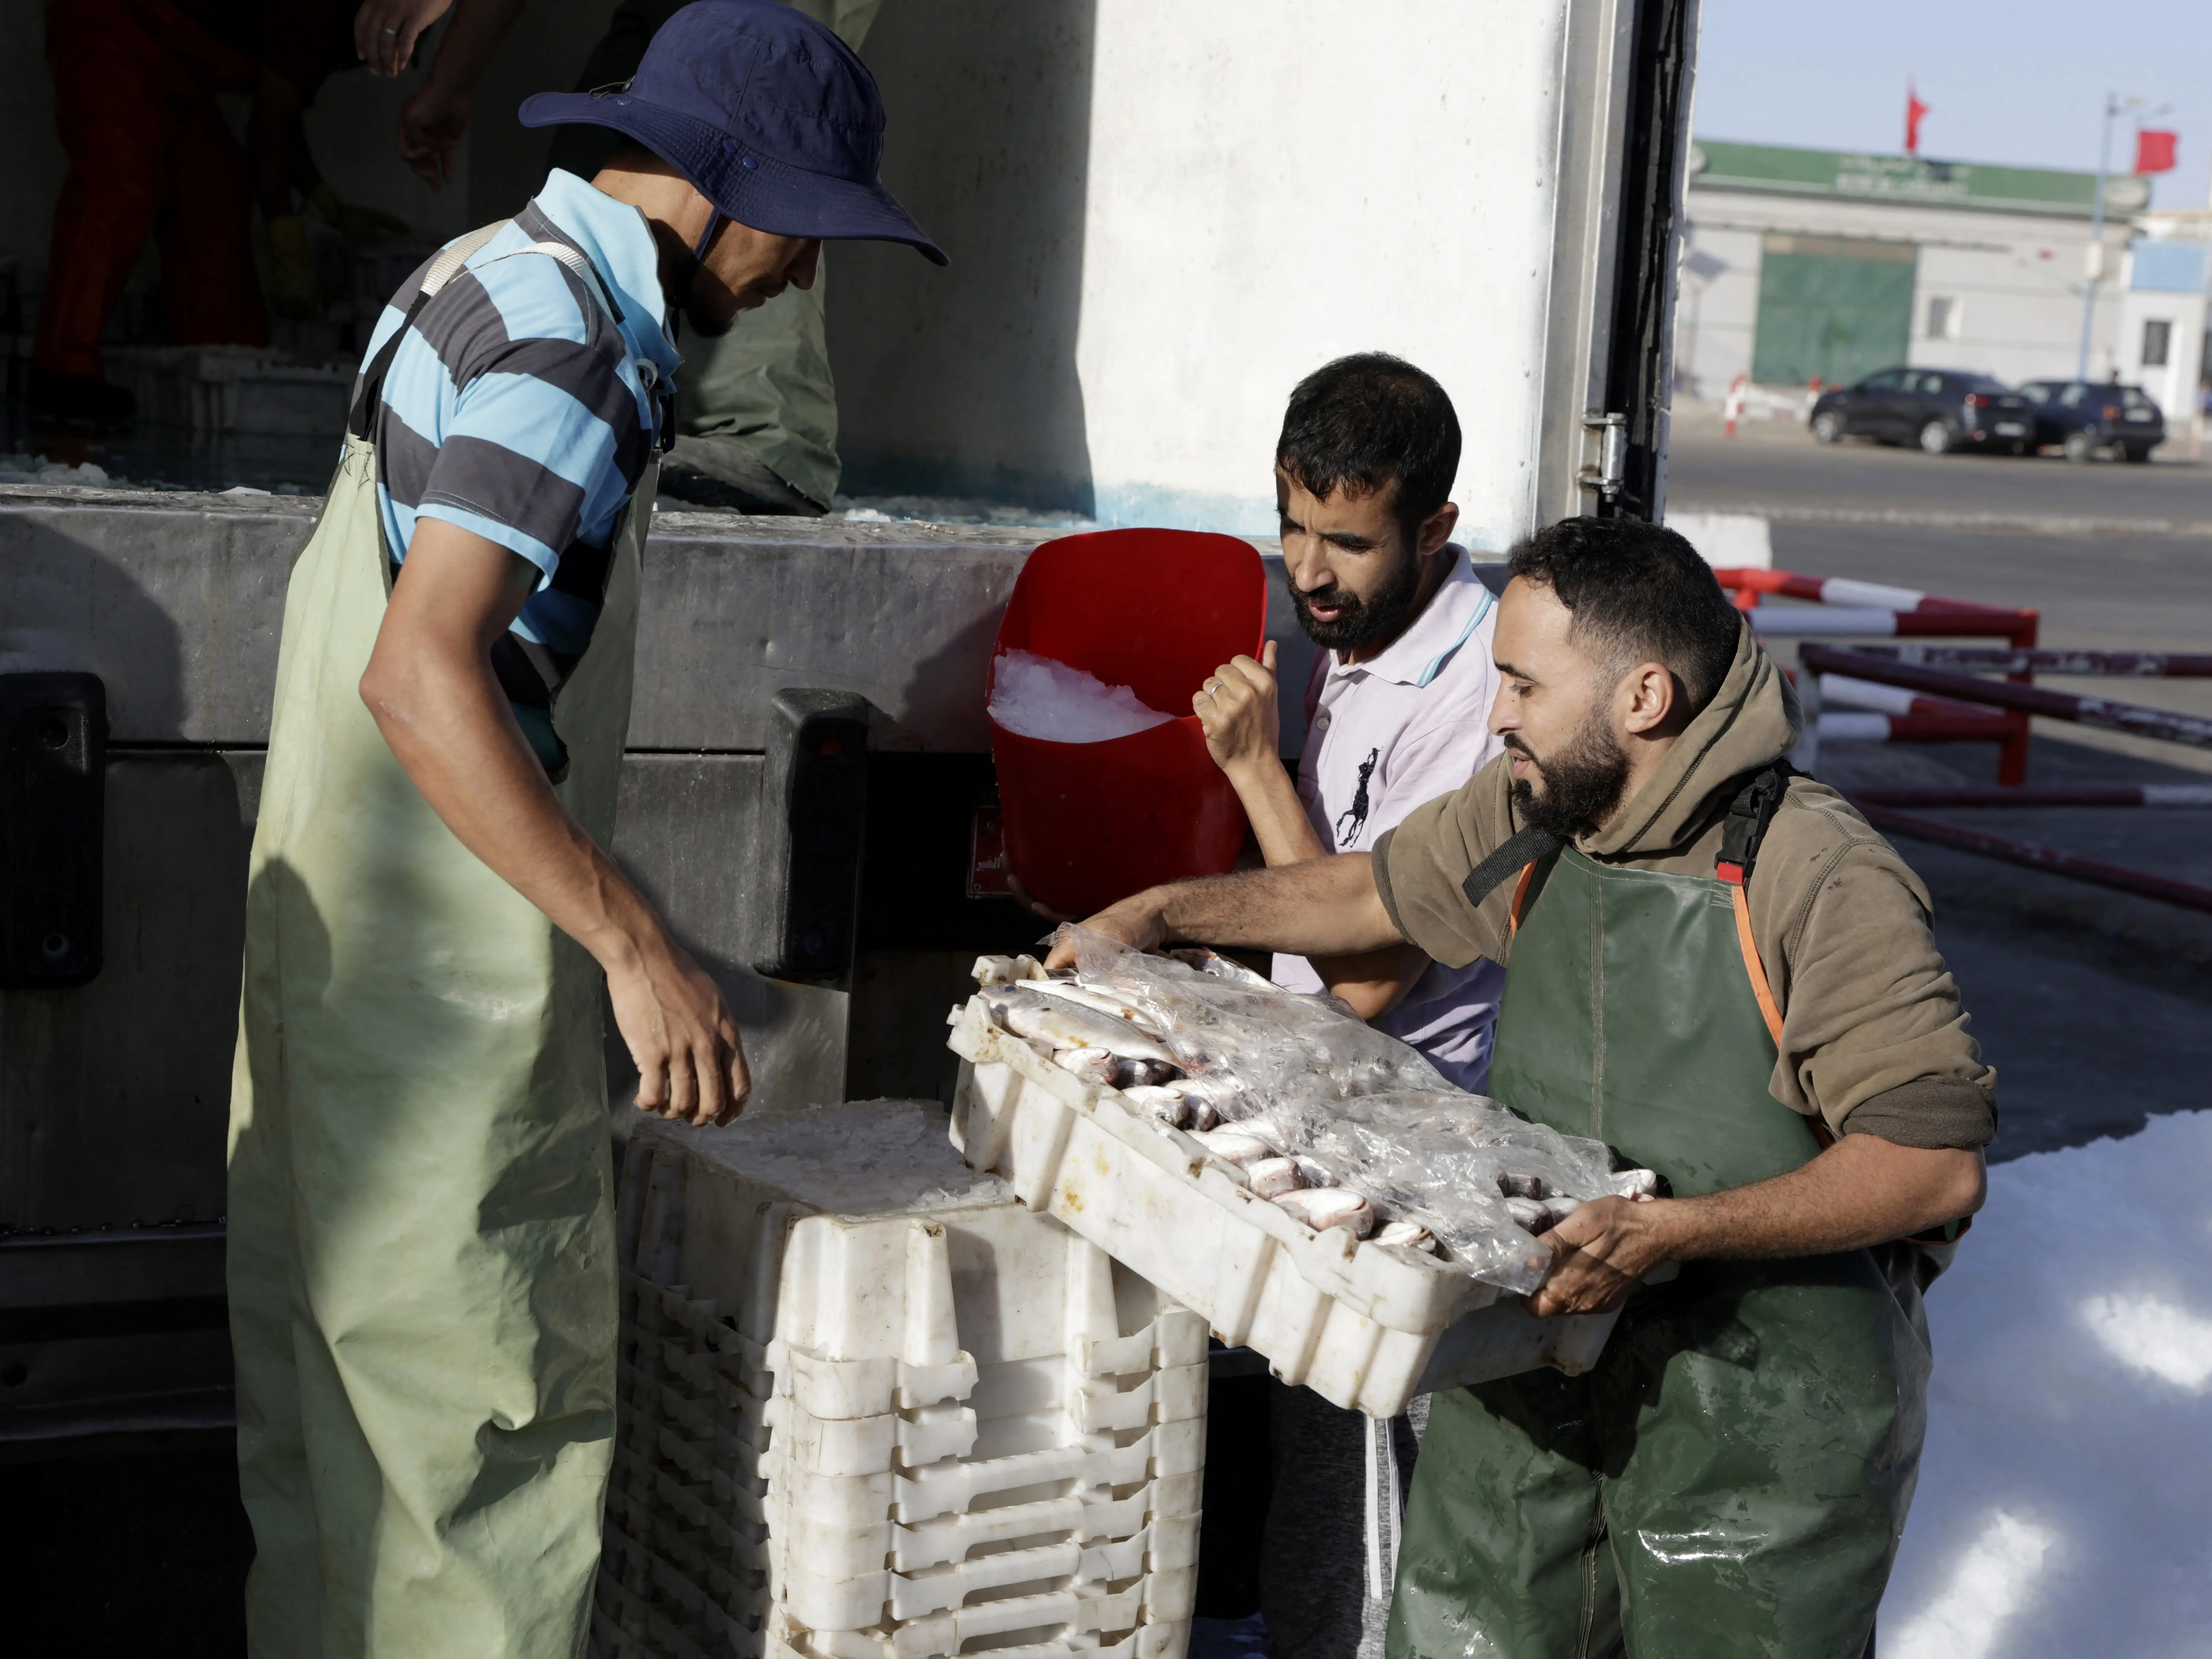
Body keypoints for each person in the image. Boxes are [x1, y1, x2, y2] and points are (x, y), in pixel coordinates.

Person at [225, 5, 943, 1653]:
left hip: (330, 981)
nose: (798, 280)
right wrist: (634, 939)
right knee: (476, 1462)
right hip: (441, 1009)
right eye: (809, 235)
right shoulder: (585, 348)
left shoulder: (473, 269)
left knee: (330, 1462)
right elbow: (421, 674)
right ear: (728, 192)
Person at [1053, 515, 1994, 1659]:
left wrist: (1677, 1231)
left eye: (1522, 685)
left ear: (1642, 699)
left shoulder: (1816, 873)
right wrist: (1158, 915)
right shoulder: (1536, 815)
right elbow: (1367, 899)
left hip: (1762, 1423)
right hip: (1536, 1369)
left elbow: (1930, 1161)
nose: (1496, 715)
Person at [1189, 353, 1506, 1659]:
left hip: (1426, 1151)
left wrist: (1259, 776)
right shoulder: (1358, 634)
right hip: (1337, 1115)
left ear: (1435, 527)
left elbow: (1370, 976)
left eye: (1349, 542)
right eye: (1293, 527)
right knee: (1315, 1472)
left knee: (1371, 1518)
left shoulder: (1477, 693)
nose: (1310, 570)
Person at [353, 0, 878, 512]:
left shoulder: (475, 282)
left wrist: (451, 77)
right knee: (623, 142)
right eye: (805, 230)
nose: (806, 274)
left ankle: (764, 436)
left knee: (780, 90)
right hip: (546, 377)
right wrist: (451, 79)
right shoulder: (550, 333)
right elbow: (436, 602)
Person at [30, 0, 356, 426]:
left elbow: (279, 113)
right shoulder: (315, 13)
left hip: (176, 66)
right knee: (121, 183)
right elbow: (268, 132)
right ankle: (63, 373)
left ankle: (222, 368)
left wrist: (320, 195)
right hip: (110, 19)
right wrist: (285, 231)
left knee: (214, 188)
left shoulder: (321, 31)